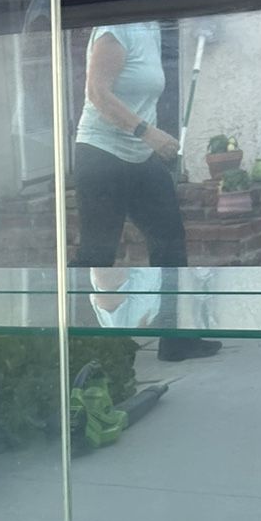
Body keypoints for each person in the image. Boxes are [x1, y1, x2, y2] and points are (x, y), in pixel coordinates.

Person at [72, 23, 219, 361]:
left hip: (139, 156)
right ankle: (77, 347)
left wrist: (146, 139)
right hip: (101, 154)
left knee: (170, 243)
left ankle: (175, 340)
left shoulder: (150, 29)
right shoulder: (114, 30)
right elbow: (97, 92)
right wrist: (148, 133)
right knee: (97, 253)